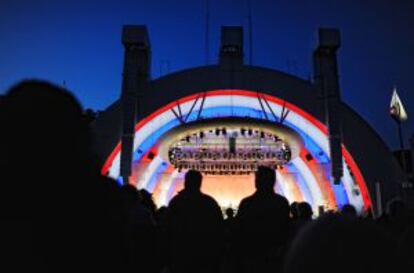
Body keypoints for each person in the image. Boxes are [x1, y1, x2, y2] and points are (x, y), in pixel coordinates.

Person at [234, 166, 290, 273]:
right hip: (275, 256)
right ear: (273, 181)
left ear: (258, 181)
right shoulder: (281, 203)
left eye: (258, 178)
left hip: (252, 255)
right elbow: (285, 229)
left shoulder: (247, 204)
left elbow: (239, 231)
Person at [167, 170, 224, 273]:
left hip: (180, 254)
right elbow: (219, 231)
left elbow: (167, 230)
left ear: (186, 181)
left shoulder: (175, 202)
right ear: (200, 182)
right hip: (203, 256)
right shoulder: (209, 203)